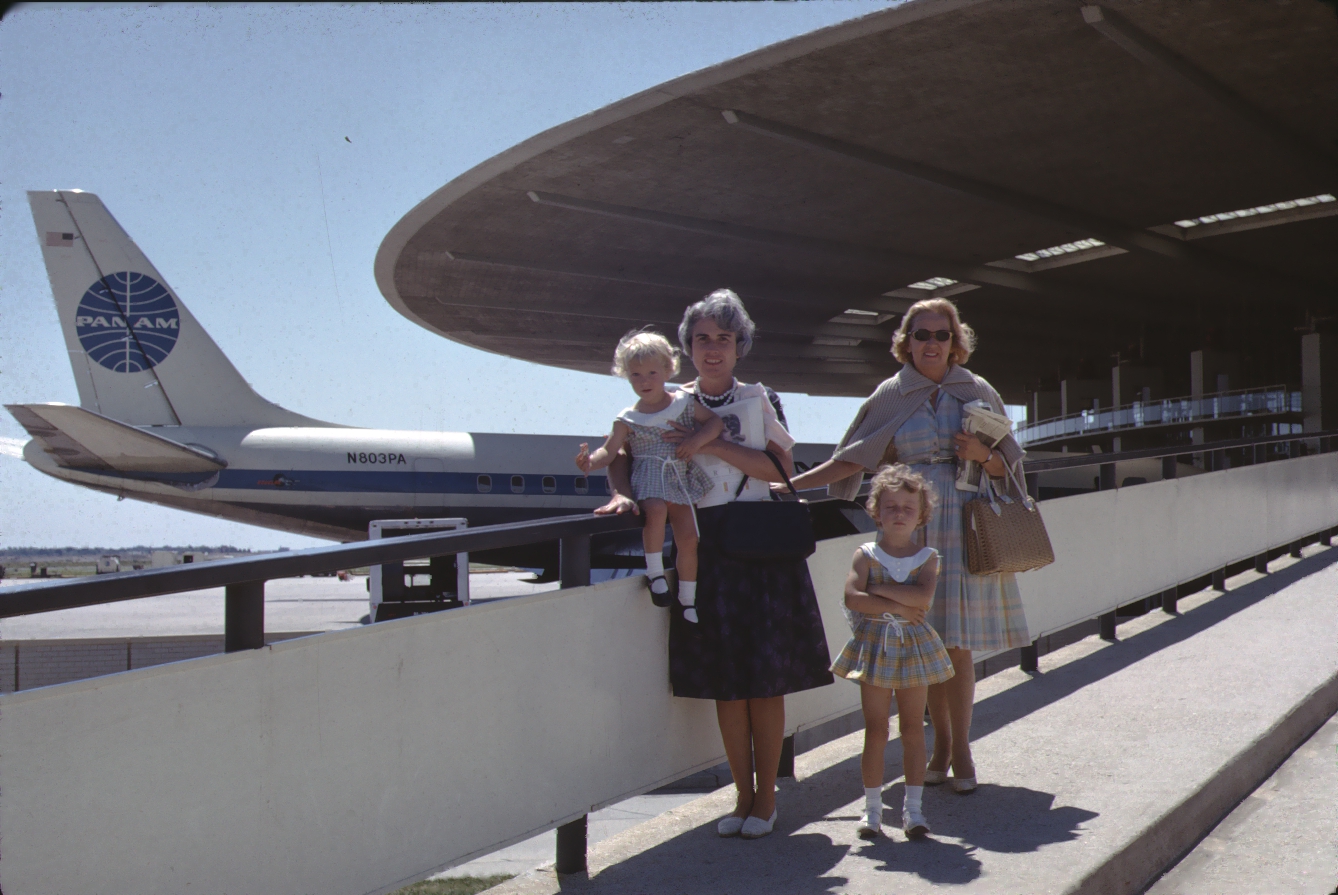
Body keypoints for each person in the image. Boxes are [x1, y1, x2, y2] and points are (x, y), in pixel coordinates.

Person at [596, 290, 833, 840]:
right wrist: (620, 493)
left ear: (739, 345)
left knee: (765, 681)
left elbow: (781, 470)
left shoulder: (758, 398)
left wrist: (714, 443)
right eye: (702, 338)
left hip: (759, 546)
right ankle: (742, 797)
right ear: (687, 347)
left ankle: (766, 799)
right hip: (705, 550)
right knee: (729, 682)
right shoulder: (668, 398)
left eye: (723, 338)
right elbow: (623, 452)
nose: (712, 348)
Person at [788, 297, 1030, 794]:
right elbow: (853, 457)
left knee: (956, 643)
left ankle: (960, 751)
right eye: (922, 334)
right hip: (911, 526)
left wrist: (982, 454)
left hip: (964, 524)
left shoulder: (977, 389)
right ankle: (940, 747)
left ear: (955, 341)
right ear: (906, 341)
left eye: (942, 334)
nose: (932, 344)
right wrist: (791, 486)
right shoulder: (892, 393)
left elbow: (1009, 466)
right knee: (925, 640)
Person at [832, 464, 954, 840]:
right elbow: (852, 598)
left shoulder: (928, 557)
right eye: (891, 507)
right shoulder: (865, 553)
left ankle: (913, 810)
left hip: (913, 648)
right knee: (876, 728)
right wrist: (900, 607)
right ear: (876, 511)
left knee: (913, 727)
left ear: (921, 514)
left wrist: (879, 591)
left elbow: (923, 597)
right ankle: (871, 810)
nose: (899, 514)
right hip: (875, 646)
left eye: (907, 507)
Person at [577, 330, 723, 621]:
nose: (644, 381)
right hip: (649, 476)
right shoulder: (627, 419)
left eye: (652, 373)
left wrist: (695, 441)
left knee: (688, 538)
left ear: (668, 370)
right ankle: (655, 575)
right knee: (654, 510)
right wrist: (589, 461)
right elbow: (610, 451)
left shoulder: (683, 403)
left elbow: (714, 423)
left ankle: (688, 600)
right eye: (636, 375)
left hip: (678, 476)